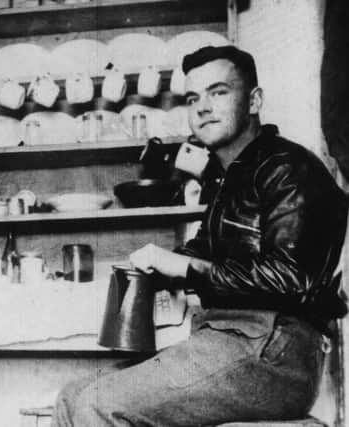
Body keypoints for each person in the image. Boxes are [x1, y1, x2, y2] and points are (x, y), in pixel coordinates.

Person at [51, 45, 348, 426]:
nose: (203, 107)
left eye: (219, 92)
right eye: (194, 98)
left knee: (97, 403)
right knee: (73, 395)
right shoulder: (232, 177)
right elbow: (201, 252)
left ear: (255, 100)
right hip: (231, 339)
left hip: (275, 351)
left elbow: (291, 279)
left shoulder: (287, 167)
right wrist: (153, 265)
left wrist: (181, 265)